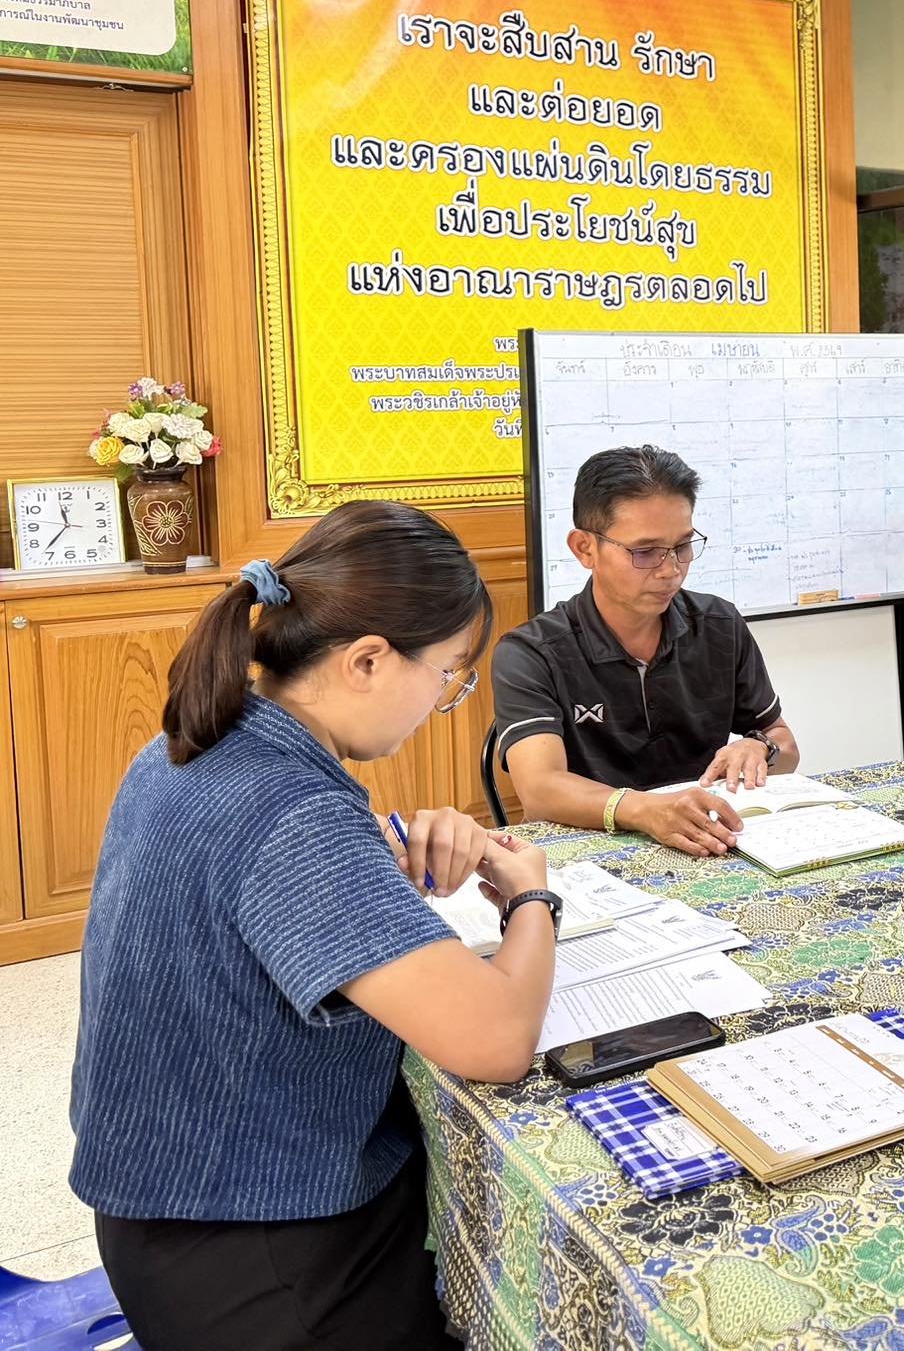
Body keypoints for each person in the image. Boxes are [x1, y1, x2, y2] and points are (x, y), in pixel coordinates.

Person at [69, 501, 560, 1351]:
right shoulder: (294, 812)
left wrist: (387, 851)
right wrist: (529, 899)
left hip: (170, 1202)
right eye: (449, 676)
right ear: (368, 660)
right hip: (253, 1244)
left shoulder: (203, 739)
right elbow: (496, 1039)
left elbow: (265, 884)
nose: (447, 699)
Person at [493, 444, 800, 857]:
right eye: (645, 551)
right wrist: (646, 810)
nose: (671, 568)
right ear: (585, 548)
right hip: (592, 855)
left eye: (683, 546)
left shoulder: (719, 624)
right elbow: (541, 790)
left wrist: (759, 749)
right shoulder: (531, 653)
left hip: (705, 843)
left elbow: (787, 747)